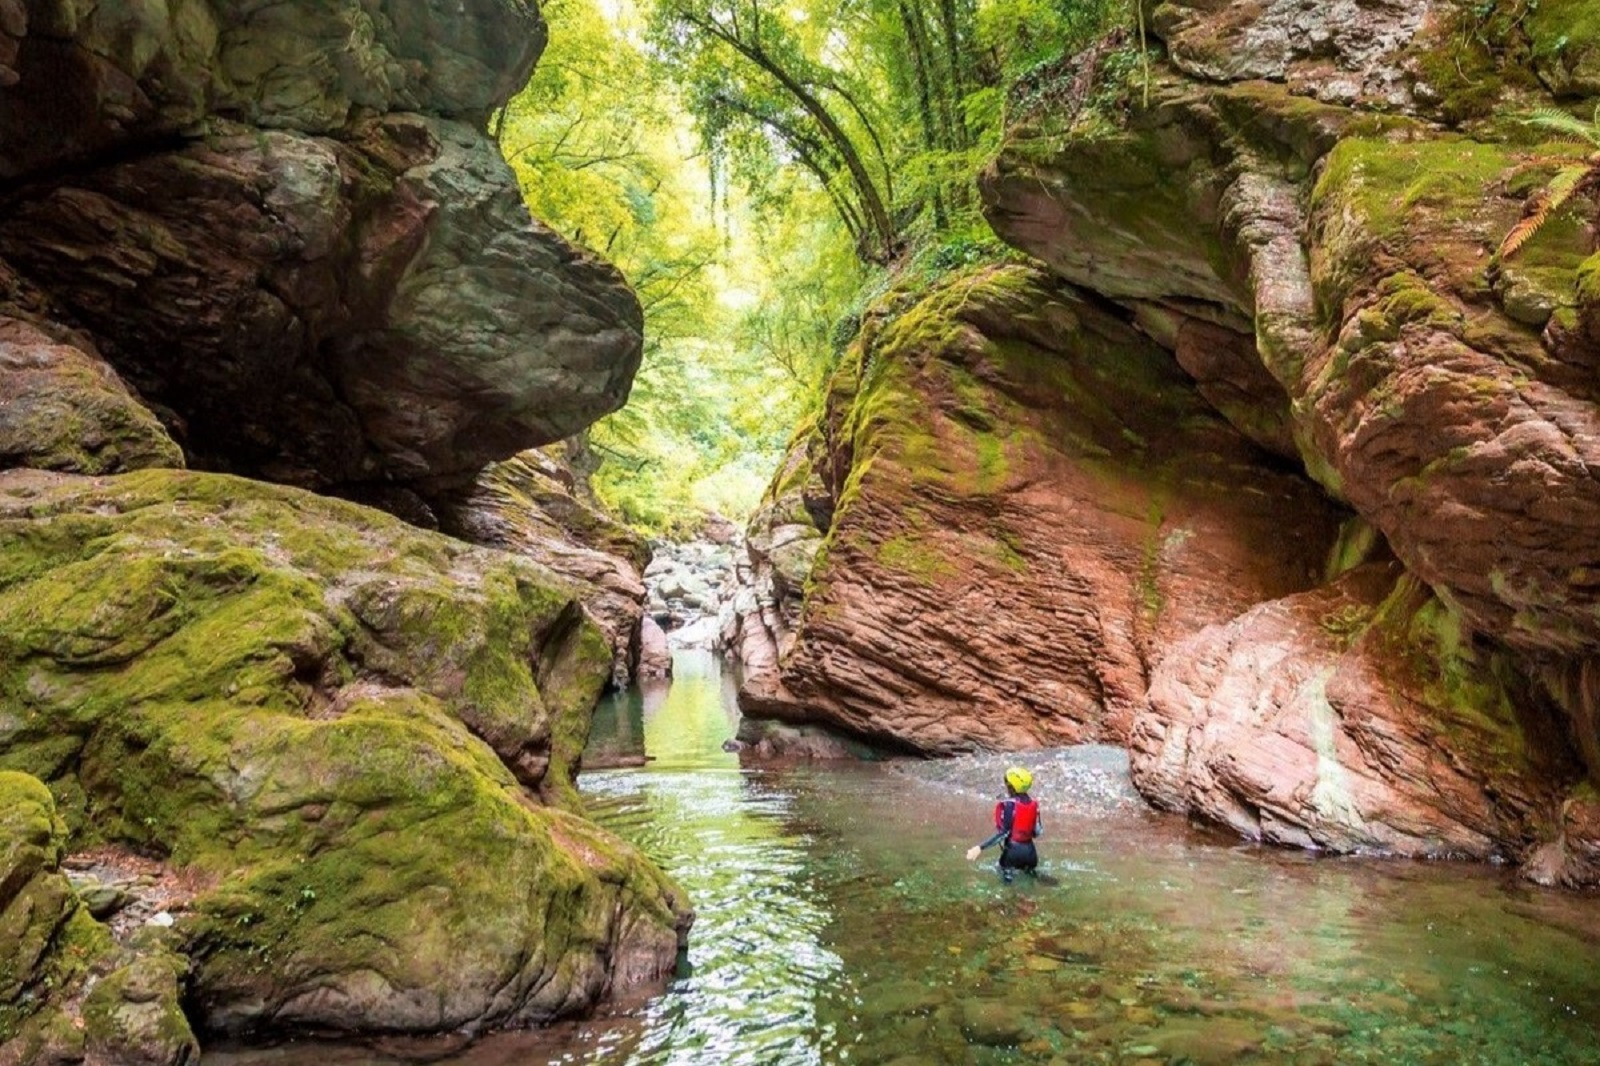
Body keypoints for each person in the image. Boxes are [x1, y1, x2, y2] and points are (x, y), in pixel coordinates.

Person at [965, 766, 1041, 882]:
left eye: (1007, 785)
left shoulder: (1009, 805)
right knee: (1030, 881)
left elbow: (1003, 834)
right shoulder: (1034, 804)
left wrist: (980, 848)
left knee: (1007, 883)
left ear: (1011, 787)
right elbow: (1037, 832)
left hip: (1013, 853)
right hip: (1031, 854)